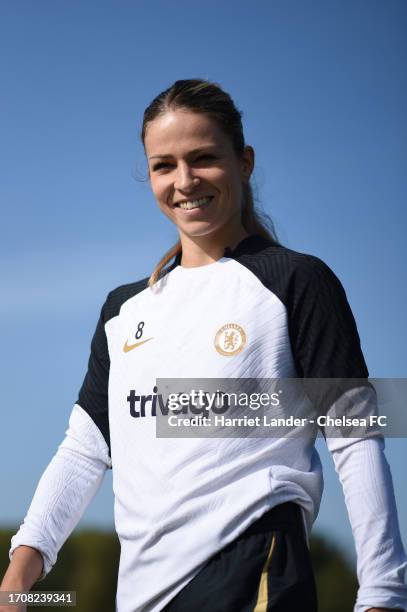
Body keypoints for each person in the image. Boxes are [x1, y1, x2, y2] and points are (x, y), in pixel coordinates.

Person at [1, 78, 406, 612]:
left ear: (245, 162)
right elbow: (84, 450)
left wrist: (383, 595)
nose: (185, 180)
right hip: (143, 595)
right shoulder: (124, 310)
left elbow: (354, 437)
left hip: (253, 569)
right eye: (163, 165)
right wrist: (20, 576)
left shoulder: (296, 282)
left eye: (204, 158)